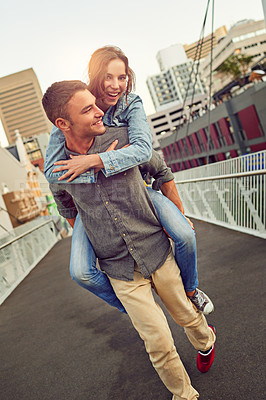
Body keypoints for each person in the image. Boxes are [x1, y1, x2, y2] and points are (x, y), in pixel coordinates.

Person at [42, 80, 216, 400]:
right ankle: (184, 395)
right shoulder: (58, 170)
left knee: (185, 315)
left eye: (96, 104)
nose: (100, 112)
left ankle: (206, 341)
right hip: (118, 266)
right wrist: (96, 234)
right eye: (88, 110)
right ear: (62, 125)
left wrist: (176, 216)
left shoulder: (123, 138)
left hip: (155, 248)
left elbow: (160, 171)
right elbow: (68, 209)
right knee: (159, 342)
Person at [44, 46, 214, 315]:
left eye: (121, 77)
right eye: (108, 77)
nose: (115, 86)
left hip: (140, 188)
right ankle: (130, 303)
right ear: (94, 76)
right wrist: (90, 186)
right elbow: (53, 173)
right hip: (94, 206)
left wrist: (96, 161)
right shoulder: (71, 111)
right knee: (80, 272)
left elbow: (145, 152)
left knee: (184, 233)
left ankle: (191, 290)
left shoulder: (130, 103)